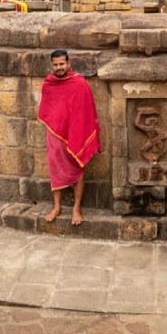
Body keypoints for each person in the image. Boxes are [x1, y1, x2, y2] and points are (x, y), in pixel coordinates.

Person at [37, 49, 100, 225]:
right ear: (52, 65)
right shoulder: (48, 84)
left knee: (77, 165)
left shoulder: (80, 84)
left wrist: (79, 131)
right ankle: (57, 207)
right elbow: (48, 111)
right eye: (55, 65)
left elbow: (87, 111)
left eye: (62, 64)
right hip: (55, 134)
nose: (59, 68)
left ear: (68, 63)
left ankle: (76, 208)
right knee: (54, 166)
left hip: (75, 133)